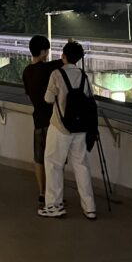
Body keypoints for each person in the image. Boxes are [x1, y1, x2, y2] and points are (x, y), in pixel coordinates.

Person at [39, 40, 97, 220]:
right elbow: (89, 99)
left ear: (63, 56)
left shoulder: (56, 74)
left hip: (60, 127)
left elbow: (48, 99)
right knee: (81, 165)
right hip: (81, 128)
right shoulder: (83, 76)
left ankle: (53, 205)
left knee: (53, 165)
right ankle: (89, 208)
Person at [22, 35, 62, 210]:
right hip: (53, 121)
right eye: (47, 51)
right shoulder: (48, 69)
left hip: (37, 120)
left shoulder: (26, 72)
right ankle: (55, 195)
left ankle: (42, 193)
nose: (48, 54)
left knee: (39, 158)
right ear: (43, 51)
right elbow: (64, 61)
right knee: (54, 160)